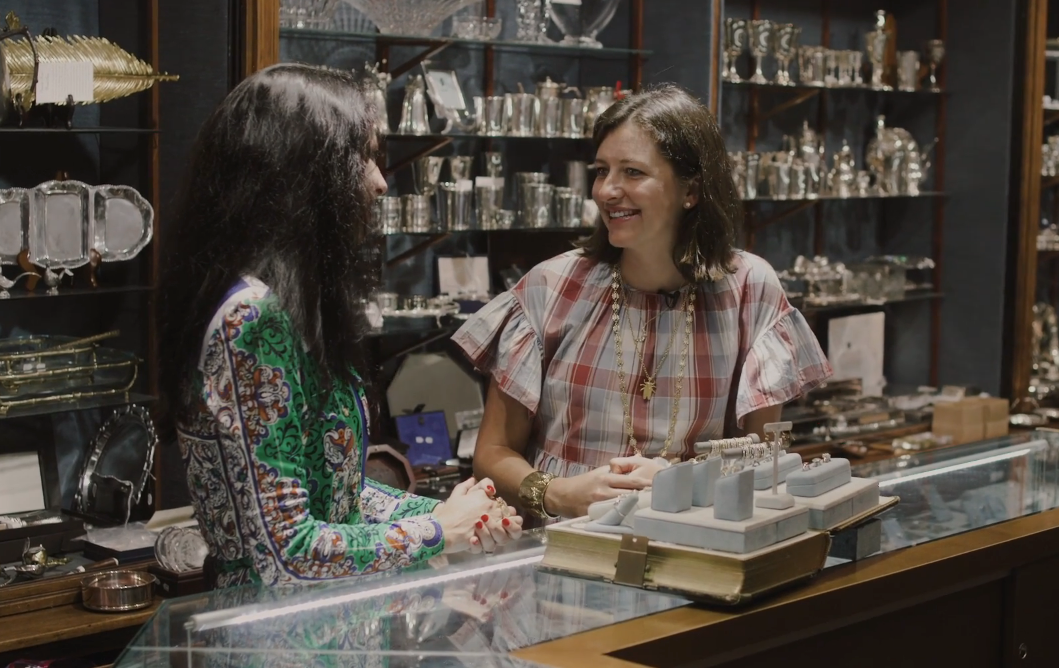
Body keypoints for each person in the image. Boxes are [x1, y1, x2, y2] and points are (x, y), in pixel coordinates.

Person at [158, 64, 521, 589]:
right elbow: (286, 555)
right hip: (270, 628)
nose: (380, 181)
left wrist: (453, 512)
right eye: (362, 157)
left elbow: (339, 495)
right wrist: (438, 531)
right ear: (301, 171)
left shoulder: (287, 306)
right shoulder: (253, 319)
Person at [452, 84, 833, 521]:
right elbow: (493, 453)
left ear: (691, 190)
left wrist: (683, 480)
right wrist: (556, 493)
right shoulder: (551, 287)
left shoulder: (750, 288)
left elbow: (766, 457)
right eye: (602, 171)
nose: (607, 191)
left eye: (632, 172)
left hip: (692, 541)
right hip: (563, 542)